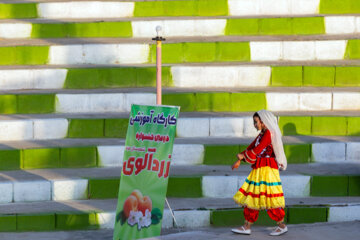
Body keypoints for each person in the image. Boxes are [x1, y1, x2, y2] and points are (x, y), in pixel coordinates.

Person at [231, 110, 288, 236]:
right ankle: (247, 226)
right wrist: (240, 159)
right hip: (259, 168)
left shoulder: (269, 134)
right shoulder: (262, 134)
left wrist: (242, 156)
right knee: (253, 196)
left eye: (256, 122)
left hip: (267, 169)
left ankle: (281, 225)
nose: (254, 125)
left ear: (263, 121)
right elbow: (251, 147)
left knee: (269, 197)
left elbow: (257, 150)